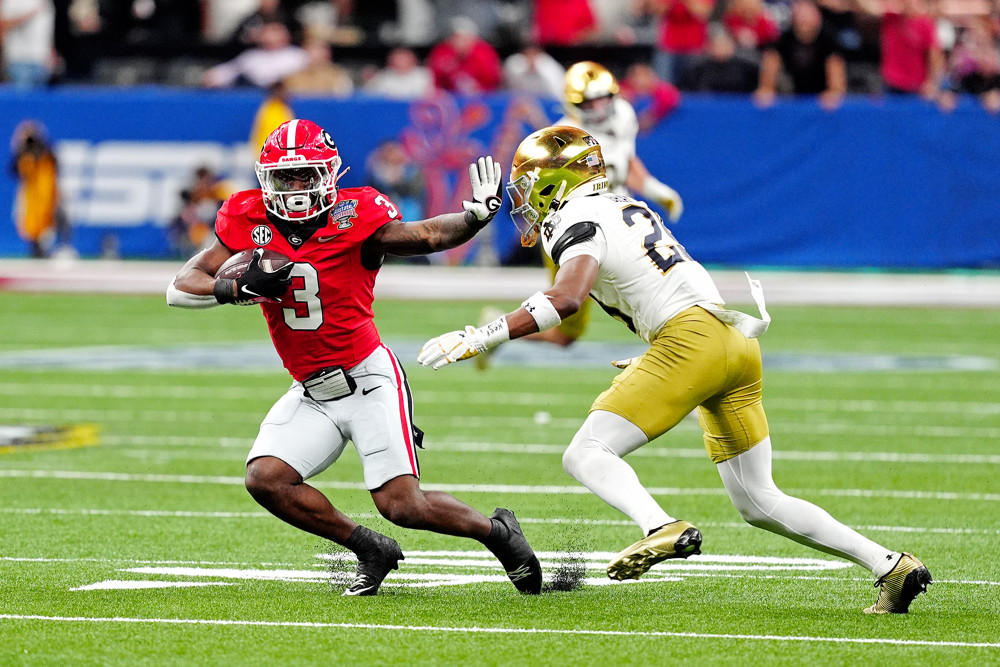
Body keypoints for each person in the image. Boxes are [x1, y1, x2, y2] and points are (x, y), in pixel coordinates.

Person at [418, 125, 932, 614]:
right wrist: (665, 353)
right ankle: (890, 565)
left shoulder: (575, 219)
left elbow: (566, 298)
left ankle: (658, 525)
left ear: (556, 182)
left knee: (585, 453)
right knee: (758, 499)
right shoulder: (625, 204)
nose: (526, 199)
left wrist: (482, 335)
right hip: (732, 338)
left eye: (531, 185)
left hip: (690, 342)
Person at [166, 119, 542, 597]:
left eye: (306, 175)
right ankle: (369, 548)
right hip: (310, 390)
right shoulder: (246, 216)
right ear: (266, 179)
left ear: (329, 174)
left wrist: (473, 219)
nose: (296, 188)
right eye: (285, 177)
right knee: (266, 479)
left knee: (402, 506)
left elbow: (427, 235)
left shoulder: (356, 214)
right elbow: (181, 287)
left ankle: (499, 533)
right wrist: (235, 286)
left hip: (367, 378)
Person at [496, 61, 682, 352]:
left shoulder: (623, 114)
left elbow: (624, 159)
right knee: (565, 332)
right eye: (589, 102)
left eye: (603, 99)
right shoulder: (562, 138)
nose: (598, 108)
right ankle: (498, 330)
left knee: (654, 285)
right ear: (573, 103)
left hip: (619, 222)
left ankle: (676, 344)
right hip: (578, 231)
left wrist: (652, 187)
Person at [754, 0, 848, 110]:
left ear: (818, 18)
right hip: (791, 94)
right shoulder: (783, 41)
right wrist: (767, 89)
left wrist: (834, 92)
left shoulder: (829, 41)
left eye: (807, 19)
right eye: (801, 18)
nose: (803, 21)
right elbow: (771, 63)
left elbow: (836, 75)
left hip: (820, 97)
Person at [9, 120, 62, 258]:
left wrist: (38, 141)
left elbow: (55, 165)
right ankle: (36, 247)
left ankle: (55, 246)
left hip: (46, 195)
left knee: (51, 221)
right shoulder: (24, 155)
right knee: (29, 223)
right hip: (30, 195)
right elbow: (13, 170)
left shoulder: (46, 154)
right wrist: (19, 146)